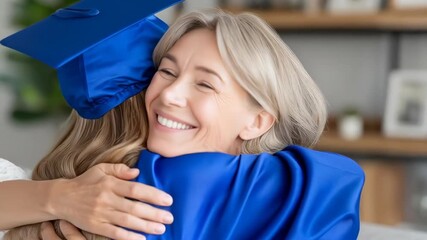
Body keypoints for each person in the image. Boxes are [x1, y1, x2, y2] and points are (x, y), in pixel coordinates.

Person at [2, 5, 365, 240]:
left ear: (257, 121)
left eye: (205, 83)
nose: (170, 95)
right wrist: (57, 197)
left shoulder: (300, 191)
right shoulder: (103, 189)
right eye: (166, 71)